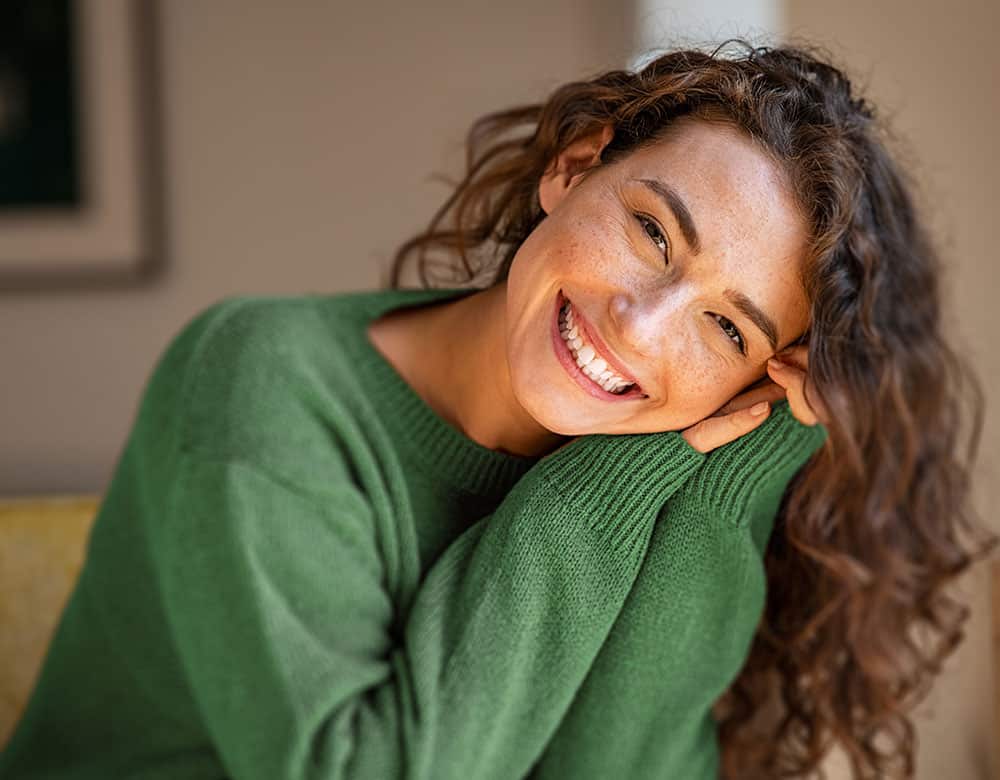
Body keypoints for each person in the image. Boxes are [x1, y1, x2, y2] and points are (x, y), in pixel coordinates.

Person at [0, 38, 993, 780]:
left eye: (727, 331)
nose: (640, 328)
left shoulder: (667, 451)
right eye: (653, 233)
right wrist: (596, 487)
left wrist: (731, 474)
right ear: (574, 167)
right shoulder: (263, 383)